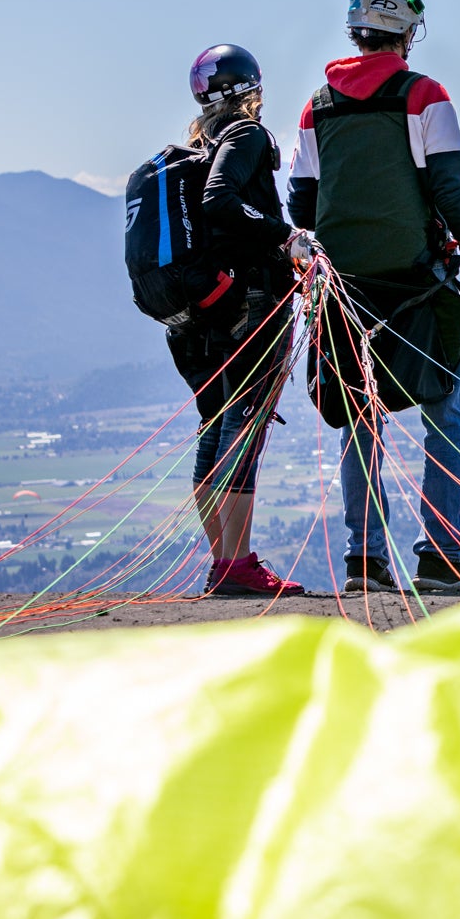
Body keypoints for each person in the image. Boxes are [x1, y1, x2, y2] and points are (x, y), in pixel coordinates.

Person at [287, 0, 460, 595]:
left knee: (361, 418)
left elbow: (302, 203)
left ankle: (365, 560)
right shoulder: (424, 96)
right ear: (409, 31)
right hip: (419, 284)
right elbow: (450, 195)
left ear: (356, 29)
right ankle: (440, 553)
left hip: (343, 290)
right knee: (445, 410)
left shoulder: (316, 106)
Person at [171, 44, 310, 597]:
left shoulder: (196, 145)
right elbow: (221, 201)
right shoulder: (246, 136)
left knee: (215, 424)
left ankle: (224, 562)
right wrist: (285, 235)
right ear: (252, 88)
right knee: (242, 426)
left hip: (202, 308)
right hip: (251, 302)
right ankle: (238, 563)